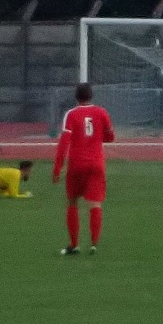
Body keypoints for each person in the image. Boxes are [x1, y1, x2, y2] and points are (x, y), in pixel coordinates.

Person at [51, 82, 114, 255]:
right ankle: (94, 244)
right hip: (96, 164)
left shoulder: (71, 114)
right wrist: (96, 138)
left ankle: (74, 244)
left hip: (77, 165)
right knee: (95, 204)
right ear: (91, 96)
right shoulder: (102, 112)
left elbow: (64, 142)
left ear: (76, 97)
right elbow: (110, 137)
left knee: (72, 202)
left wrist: (57, 168)